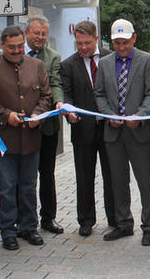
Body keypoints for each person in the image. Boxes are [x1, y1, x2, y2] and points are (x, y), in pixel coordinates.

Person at [0, 25, 52, 251]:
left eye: (20, 46)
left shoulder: (36, 65)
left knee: (29, 185)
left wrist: (38, 114)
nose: (17, 51)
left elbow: (46, 95)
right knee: (6, 187)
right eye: (12, 47)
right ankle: (8, 230)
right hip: (4, 139)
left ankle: (29, 227)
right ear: (2, 45)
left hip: (31, 137)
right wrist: (5, 115)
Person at [94, 18, 150, 246]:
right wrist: (109, 114)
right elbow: (99, 94)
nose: (121, 47)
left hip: (139, 132)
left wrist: (140, 115)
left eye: (125, 42)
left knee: (145, 180)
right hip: (114, 133)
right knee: (118, 180)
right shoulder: (104, 63)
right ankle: (123, 224)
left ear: (134, 38)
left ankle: (149, 225)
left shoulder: (147, 61)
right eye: (117, 43)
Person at [60, 20, 116, 236]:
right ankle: (85, 220)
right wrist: (68, 109)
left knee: (112, 175)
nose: (83, 47)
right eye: (78, 43)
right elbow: (66, 93)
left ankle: (115, 217)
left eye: (86, 43)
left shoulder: (111, 58)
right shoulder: (67, 65)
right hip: (82, 129)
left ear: (96, 39)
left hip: (110, 128)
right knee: (84, 177)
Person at [23, 17, 65, 234]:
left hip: (47, 126)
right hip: (21, 128)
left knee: (46, 174)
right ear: (26, 33)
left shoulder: (53, 57)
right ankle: (25, 219)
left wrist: (59, 101)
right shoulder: (16, 55)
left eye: (43, 34)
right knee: (25, 176)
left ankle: (48, 218)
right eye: (36, 33)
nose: (40, 38)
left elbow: (56, 83)